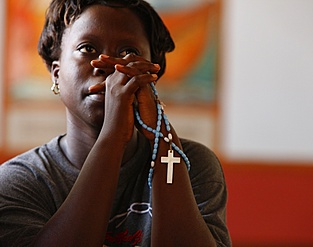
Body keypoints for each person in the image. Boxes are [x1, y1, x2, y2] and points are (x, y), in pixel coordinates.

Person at [0, 0, 231, 246]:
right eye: (87, 48)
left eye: (128, 53)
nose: (110, 66)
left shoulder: (192, 163)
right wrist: (113, 137)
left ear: (152, 73)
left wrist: (163, 140)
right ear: (57, 74)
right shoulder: (20, 180)